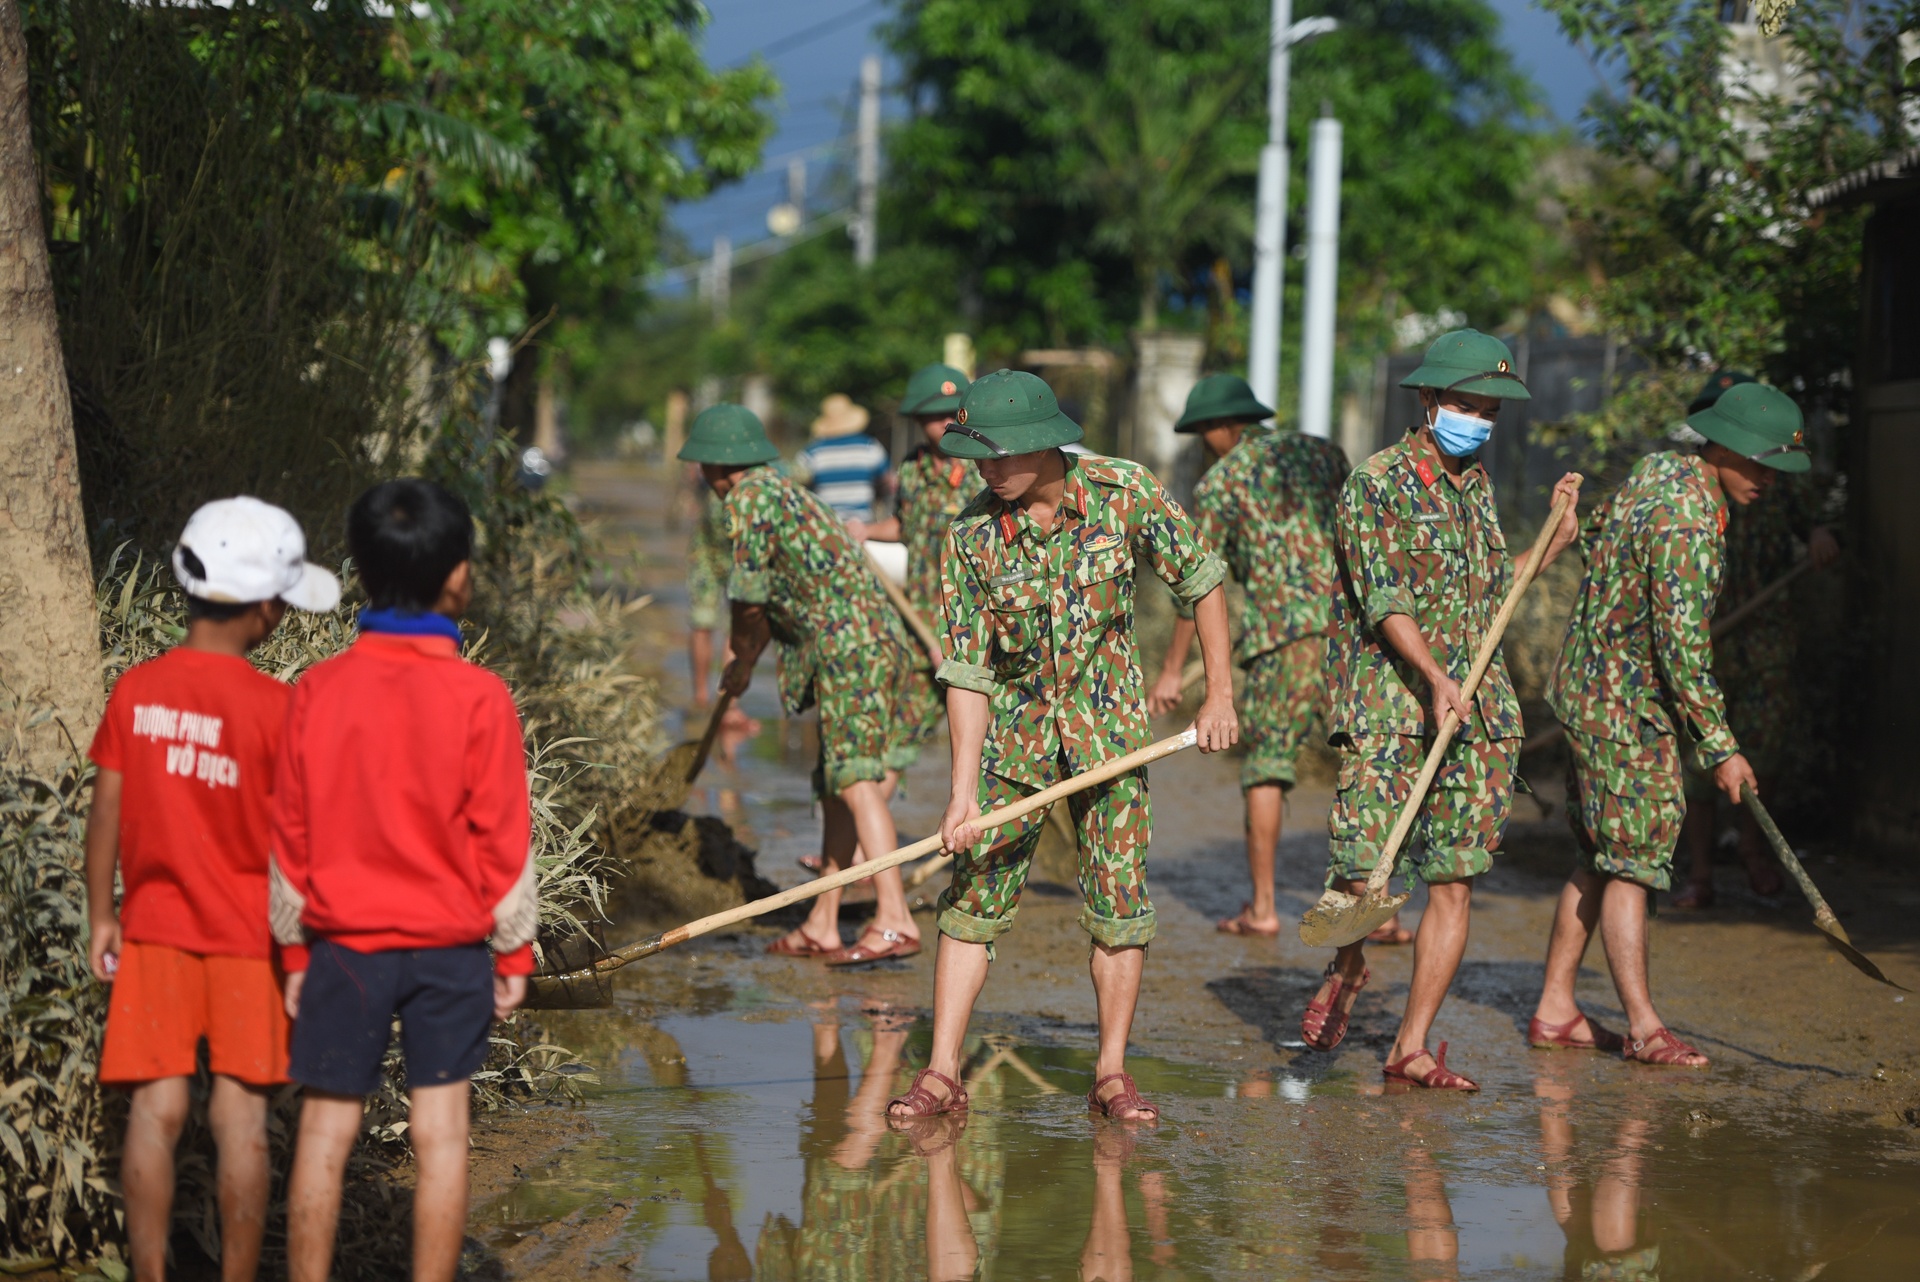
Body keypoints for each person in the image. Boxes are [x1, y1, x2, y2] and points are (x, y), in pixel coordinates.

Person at [885, 369, 1238, 1122]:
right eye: (976, 456)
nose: (986, 471)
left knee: (1118, 904)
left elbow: (1202, 582)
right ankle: (943, 1071)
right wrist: (962, 791)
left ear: (1041, 446)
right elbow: (971, 673)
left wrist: (1220, 695)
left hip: (1111, 744)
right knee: (972, 899)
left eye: (997, 456)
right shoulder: (972, 536)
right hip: (1014, 747)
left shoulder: (1124, 492)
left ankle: (1111, 1073)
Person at [1299, 329, 1581, 1089]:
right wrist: (1431, 676)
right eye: (1466, 404)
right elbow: (1383, 599)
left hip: (1477, 720)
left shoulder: (1478, 487)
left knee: (1453, 881)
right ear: (1427, 401)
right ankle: (1349, 964)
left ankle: (1410, 1047)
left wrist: (1552, 539)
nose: (1479, 419)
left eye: (1489, 408)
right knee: (1366, 877)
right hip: (1393, 711)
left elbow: (1498, 594)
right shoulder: (1376, 484)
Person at [272, 479, 536, 1282]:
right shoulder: (481, 697)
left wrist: (291, 953)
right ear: (458, 576)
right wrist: (514, 955)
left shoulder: (316, 690)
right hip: (449, 950)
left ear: (356, 569)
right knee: (442, 1135)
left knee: (324, 1133)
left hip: (342, 944)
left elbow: (289, 835)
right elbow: (505, 842)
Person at [86, 497, 340, 1282]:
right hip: (247, 939)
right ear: (265, 612)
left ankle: (149, 1273)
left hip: (154, 927)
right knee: (242, 1120)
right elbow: (299, 841)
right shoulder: (280, 709)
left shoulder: (137, 690)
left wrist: (102, 915)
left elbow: (106, 812)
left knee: (155, 1112)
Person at [1529, 382, 1808, 1068]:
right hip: (1623, 706)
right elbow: (1684, 651)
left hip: (1590, 689)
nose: (1766, 479)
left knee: (1601, 852)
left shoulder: (1660, 471)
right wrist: (1722, 747)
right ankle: (1646, 1027)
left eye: (1776, 468)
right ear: (1721, 447)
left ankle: (1556, 1009)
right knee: (1635, 859)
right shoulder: (1689, 526)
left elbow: (1597, 540)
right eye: (1758, 463)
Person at [682, 404, 924, 965]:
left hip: (850, 649)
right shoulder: (781, 490)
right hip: (859, 644)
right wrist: (747, 659)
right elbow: (770, 595)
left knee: (857, 779)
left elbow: (748, 598)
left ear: (720, 467)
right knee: (837, 785)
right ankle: (821, 921)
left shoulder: (748, 500)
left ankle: (893, 918)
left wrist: (742, 657)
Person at [1146, 373, 1350, 939]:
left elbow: (1196, 586)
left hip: (1281, 640)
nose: (1203, 443)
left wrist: (1169, 673)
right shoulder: (1322, 453)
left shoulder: (1220, 485)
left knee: (1267, 770)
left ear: (1220, 427)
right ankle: (1374, 908)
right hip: (1352, 631)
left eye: (1202, 432)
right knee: (1369, 765)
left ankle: (1263, 907)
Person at [1671, 370, 1840, 909]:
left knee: (1759, 754)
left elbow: (1815, 523)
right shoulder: (1683, 493)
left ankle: (1751, 849)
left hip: (1764, 638)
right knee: (1701, 762)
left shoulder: (1775, 480)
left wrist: (1818, 535)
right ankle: (1699, 872)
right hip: (1702, 643)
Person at [850, 362, 977, 750]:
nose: (942, 423)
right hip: (917, 626)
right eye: (932, 416)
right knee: (896, 742)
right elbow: (906, 526)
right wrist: (867, 531)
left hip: (970, 633)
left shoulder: (982, 470)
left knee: (992, 751)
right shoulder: (911, 469)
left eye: (950, 414)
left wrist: (957, 638)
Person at [796, 392, 894, 523]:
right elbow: (888, 480)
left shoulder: (813, 451)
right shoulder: (869, 446)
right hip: (862, 523)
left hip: (826, 523)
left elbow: (798, 481)